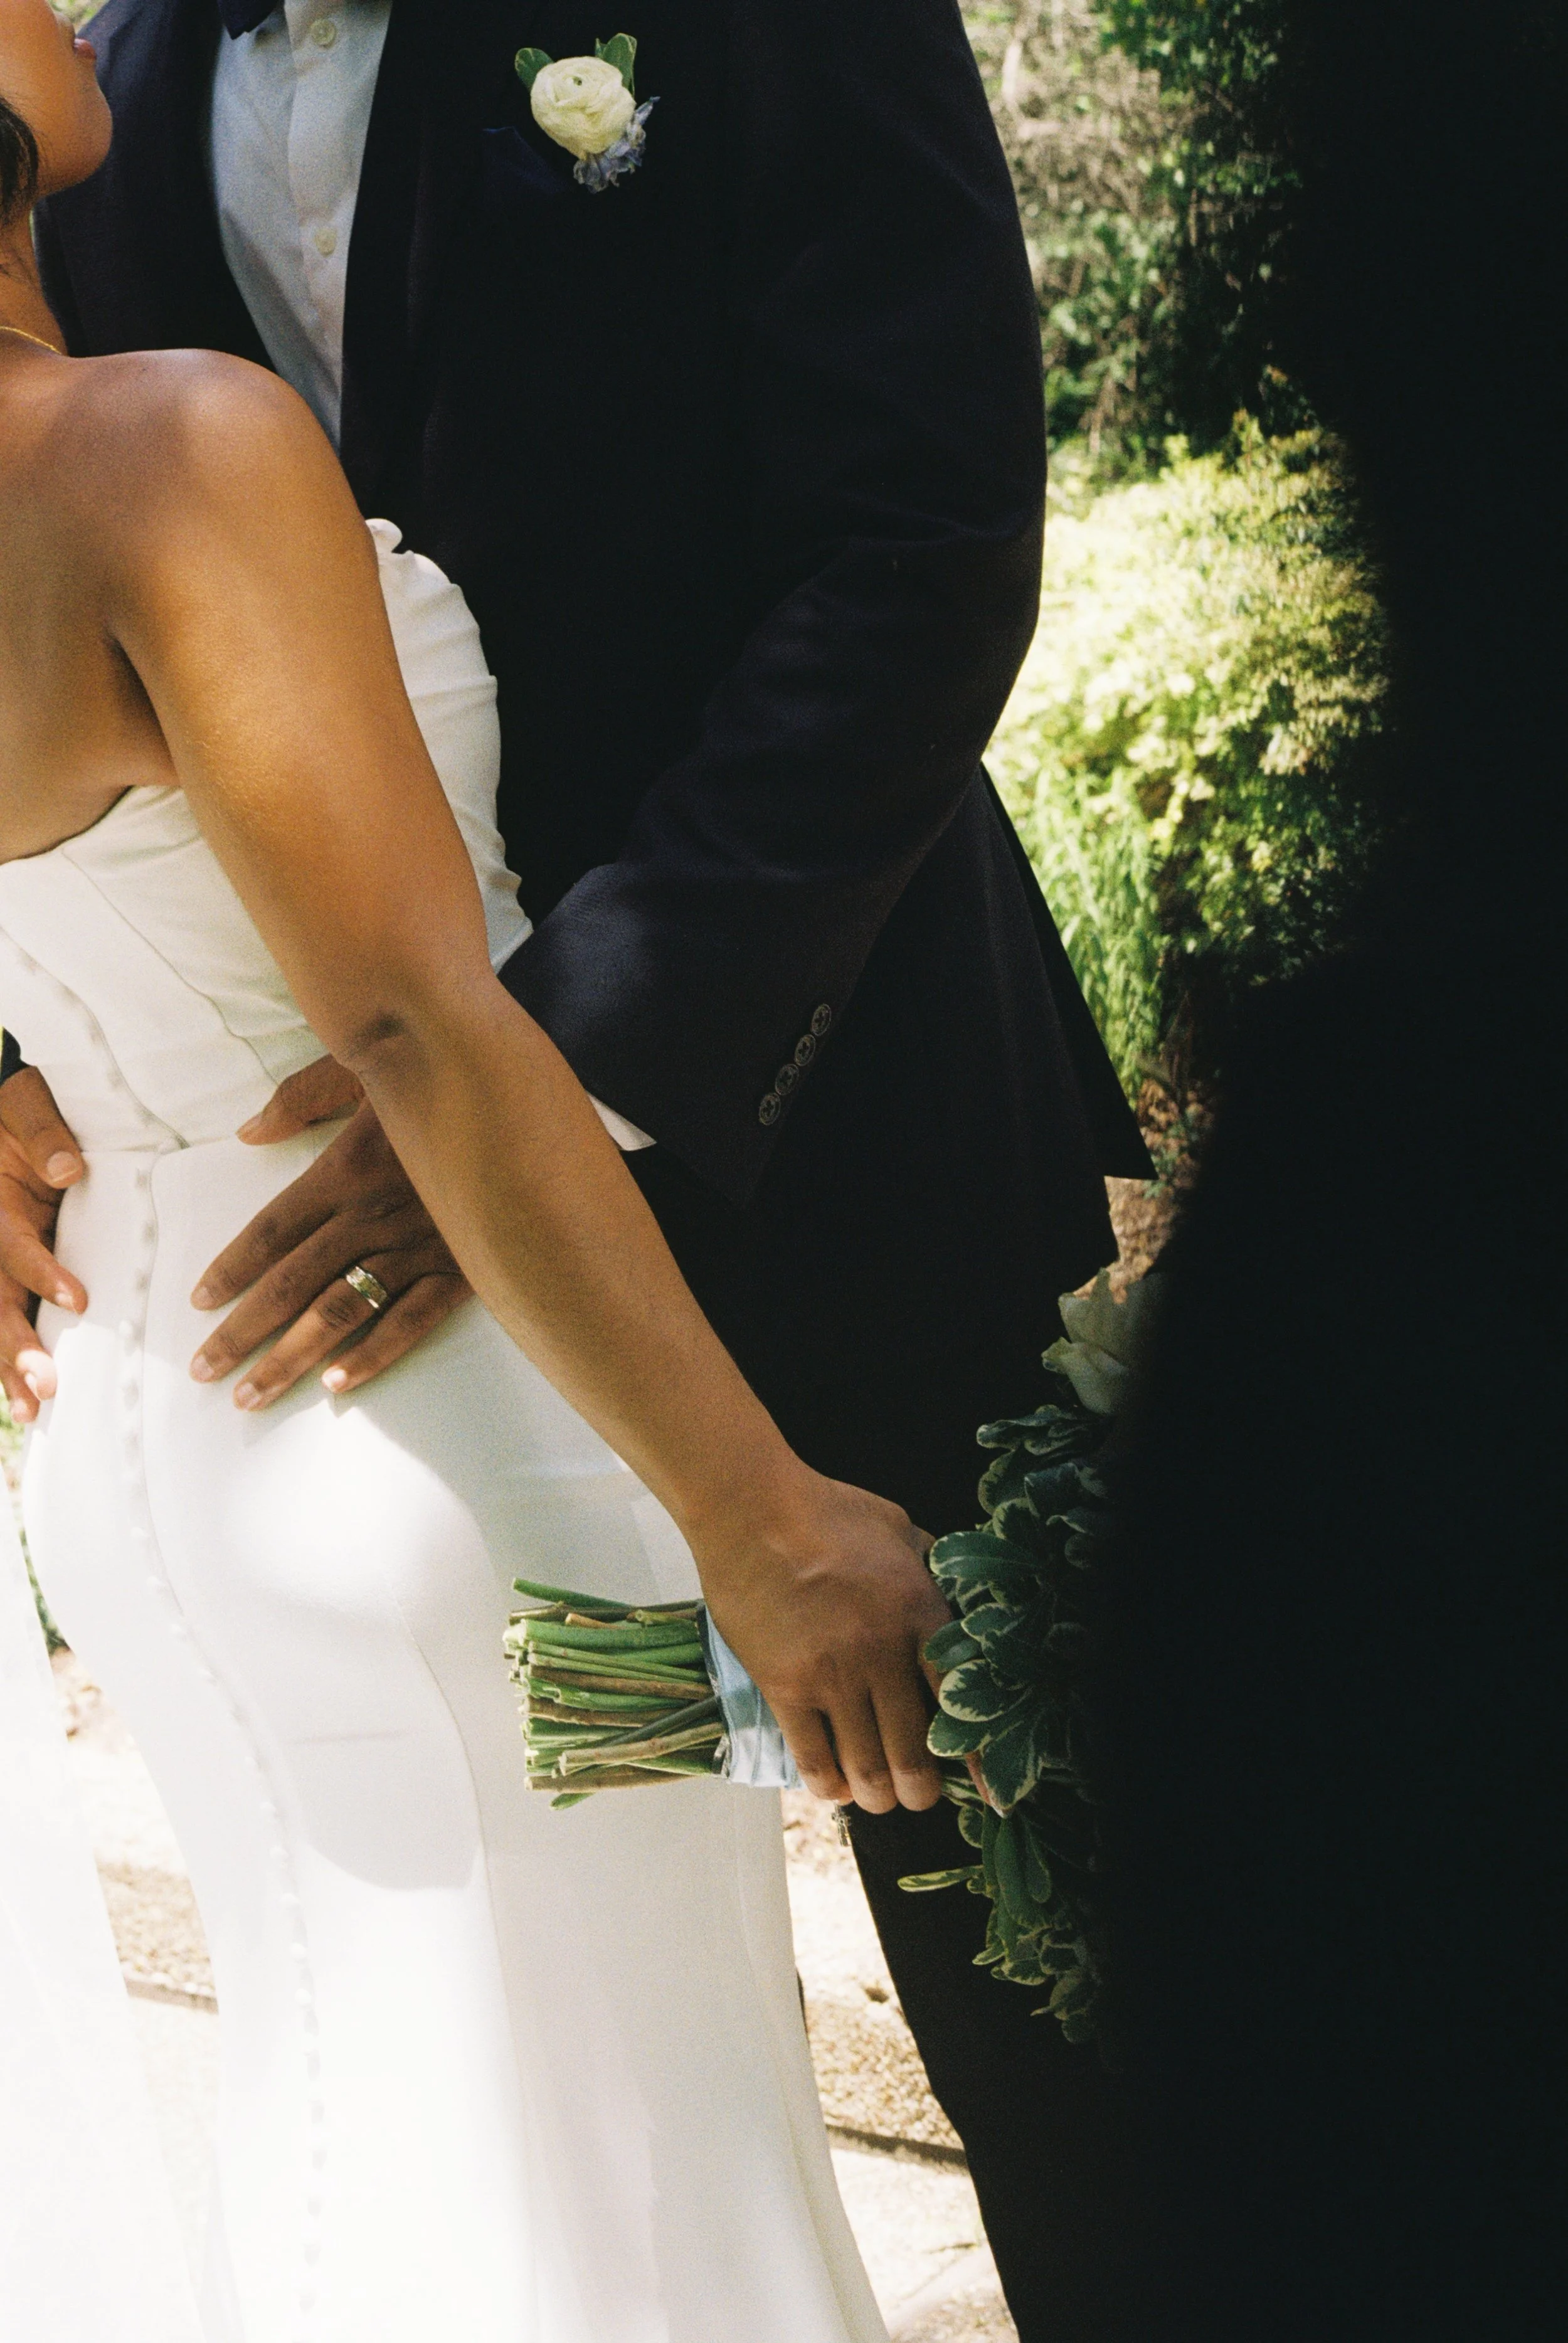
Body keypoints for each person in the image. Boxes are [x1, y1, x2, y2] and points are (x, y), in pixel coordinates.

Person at [4, 3, 1150, 2331]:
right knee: (490, 2084)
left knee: (1087, 2060)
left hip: (830, 1126)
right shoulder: (93, 127)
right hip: (322, 1336)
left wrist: (563, 1063)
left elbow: (916, 547)